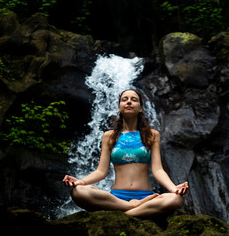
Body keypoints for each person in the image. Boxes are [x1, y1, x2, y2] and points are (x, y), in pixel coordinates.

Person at [63, 89, 189, 217]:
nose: (129, 102)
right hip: (116, 198)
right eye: (125, 99)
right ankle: (133, 208)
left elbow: (158, 170)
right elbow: (101, 171)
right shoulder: (109, 136)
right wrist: (80, 182)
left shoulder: (152, 135)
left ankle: (125, 215)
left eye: (134, 100)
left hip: (146, 196)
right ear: (119, 107)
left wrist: (174, 188)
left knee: (175, 199)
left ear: (140, 108)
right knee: (78, 192)